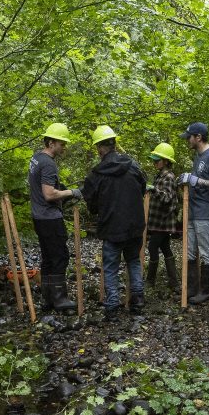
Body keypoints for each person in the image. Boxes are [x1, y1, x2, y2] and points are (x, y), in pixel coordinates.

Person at [83, 125, 148, 321]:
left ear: (100, 148)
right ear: (114, 145)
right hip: (135, 225)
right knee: (133, 261)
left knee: (110, 266)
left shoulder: (96, 174)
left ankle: (112, 306)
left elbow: (91, 203)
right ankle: (137, 300)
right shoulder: (133, 166)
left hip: (111, 227)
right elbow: (143, 188)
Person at [28, 123, 82, 313]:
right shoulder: (48, 163)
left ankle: (48, 298)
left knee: (48, 257)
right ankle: (60, 299)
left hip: (38, 216)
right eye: (61, 143)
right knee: (60, 256)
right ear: (51, 143)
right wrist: (71, 192)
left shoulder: (36, 158)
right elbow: (49, 194)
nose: (64, 147)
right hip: (49, 217)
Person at [178, 122, 209, 304]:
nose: (187, 140)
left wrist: (195, 180)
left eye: (189, 137)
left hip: (206, 211)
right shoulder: (198, 157)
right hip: (193, 210)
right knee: (190, 251)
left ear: (198, 137)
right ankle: (192, 289)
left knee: (207, 252)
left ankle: (206, 292)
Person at [145, 142, 181, 295]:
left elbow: (167, 198)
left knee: (153, 247)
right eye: (154, 160)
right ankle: (175, 283)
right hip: (158, 220)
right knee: (165, 248)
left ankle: (150, 281)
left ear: (166, 161)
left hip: (163, 221)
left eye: (157, 160)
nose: (155, 162)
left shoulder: (169, 177)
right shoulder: (160, 175)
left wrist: (154, 189)